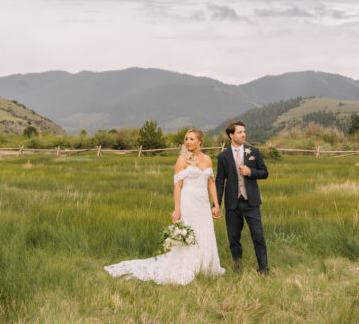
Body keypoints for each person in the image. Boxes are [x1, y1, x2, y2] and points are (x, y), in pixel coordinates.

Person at [105, 129, 225, 285]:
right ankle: (188, 265)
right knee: (191, 232)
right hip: (188, 202)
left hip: (203, 204)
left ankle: (204, 266)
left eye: (191, 139)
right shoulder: (182, 159)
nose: (188, 142)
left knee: (205, 231)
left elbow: (211, 183)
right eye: (186, 139)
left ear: (200, 141)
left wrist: (216, 205)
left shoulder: (208, 159)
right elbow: (177, 186)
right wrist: (177, 209)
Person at [215, 121, 269, 274]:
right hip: (232, 204)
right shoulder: (223, 156)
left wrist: (251, 172)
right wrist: (216, 205)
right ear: (231, 135)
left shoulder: (254, 152)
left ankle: (263, 269)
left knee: (258, 236)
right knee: (233, 238)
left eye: (244, 132)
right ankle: (237, 268)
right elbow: (219, 182)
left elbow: (265, 173)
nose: (243, 134)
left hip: (251, 203)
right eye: (240, 132)